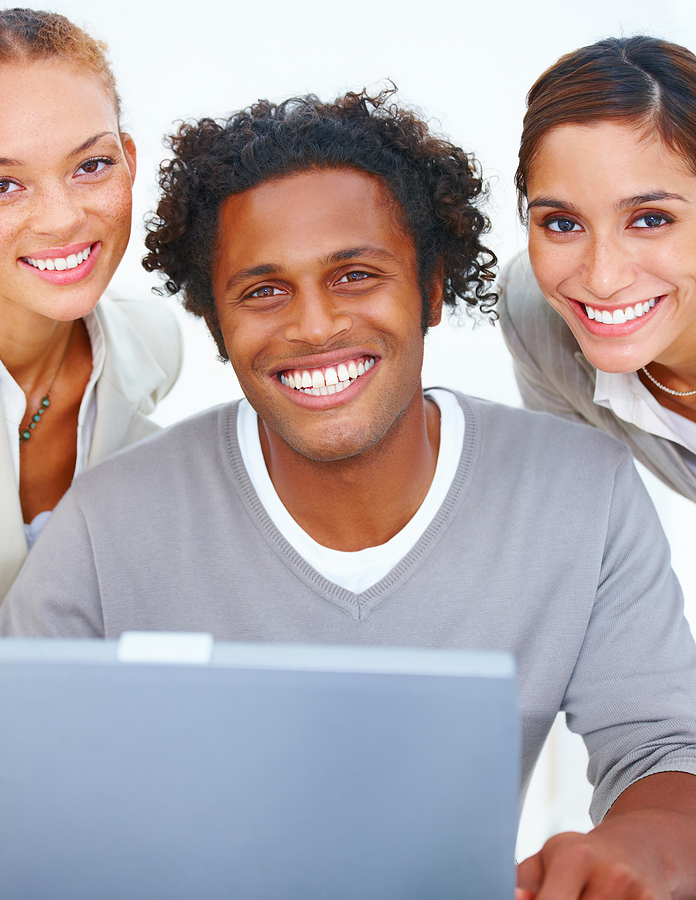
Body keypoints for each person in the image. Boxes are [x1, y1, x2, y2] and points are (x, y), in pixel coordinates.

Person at [2, 88, 696, 899]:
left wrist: (649, 846)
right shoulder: (104, 525)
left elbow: (662, 747)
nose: (315, 325)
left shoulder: (583, 495)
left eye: (357, 275)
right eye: (263, 291)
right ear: (218, 325)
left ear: (434, 287)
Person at [0, 8, 182, 600]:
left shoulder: (151, 342)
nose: (63, 219)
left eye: (92, 165)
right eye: (4, 185)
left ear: (129, 160)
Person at [499, 35, 696, 502]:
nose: (602, 279)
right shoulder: (534, 319)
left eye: (650, 220)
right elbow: (579, 527)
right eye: (563, 223)